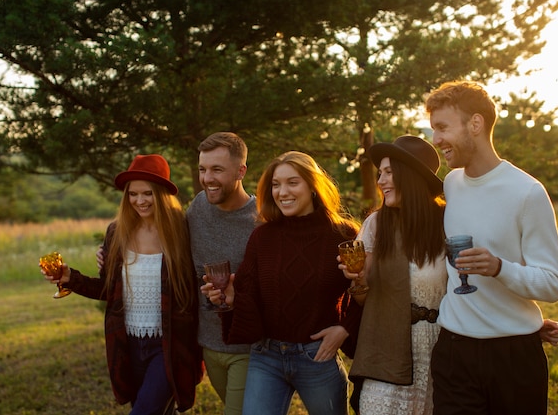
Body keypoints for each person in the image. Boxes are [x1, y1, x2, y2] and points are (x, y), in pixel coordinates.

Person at [425, 80, 558, 415]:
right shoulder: (451, 184)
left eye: (443, 127)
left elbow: (552, 283)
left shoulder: (527, 193)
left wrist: (499, 268)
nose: (436, 140)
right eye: (434, 129)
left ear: (476, 124)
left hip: (513, 359)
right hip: (453, 352)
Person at [41, 154, 203, 414]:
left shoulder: (182, 231)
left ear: (162, 194)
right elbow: (109, 291)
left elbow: (195, 289)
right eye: (133, 194)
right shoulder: (117, 232)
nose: (140, 201)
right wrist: (71, 277)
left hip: (169, 345)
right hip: (127, 344)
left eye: (148, 193)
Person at [204, 151, 363, 415]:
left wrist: (345, 328)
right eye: (276, 185)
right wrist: (230, 298)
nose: (282, 192)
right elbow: (247, 294)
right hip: (266, 356)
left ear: (313, 186)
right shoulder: (262, 237)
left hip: (318, 356)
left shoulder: (344, 234)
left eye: (293, 182)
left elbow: (366, 290)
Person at [341, 135, 448, 415]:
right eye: (380, 173)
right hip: (385, 348)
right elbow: (364, 298)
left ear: (410, 176)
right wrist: (358, 283)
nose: (381, 181)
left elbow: (472, 285)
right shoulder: (377, 224)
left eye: (389, 173)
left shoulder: (448, 222)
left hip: (438, 348)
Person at [187, 132, 257, 415]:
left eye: (217, 169)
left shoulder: (261, 219)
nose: (207, 178)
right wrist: (110, 251)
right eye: (203, 169)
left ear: (241, 171)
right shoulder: (197, 208)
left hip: (250, 347)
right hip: (209, 343)